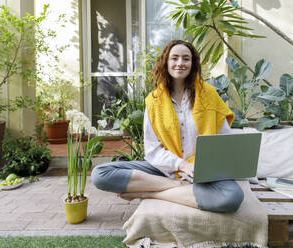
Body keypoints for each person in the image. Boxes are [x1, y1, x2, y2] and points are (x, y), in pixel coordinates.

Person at [91, 40, 244, 212]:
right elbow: (152, 150)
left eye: (186, 59)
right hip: (165, 170)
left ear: (192, 64)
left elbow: (224, 139)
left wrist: (203, 166)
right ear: (166, 62)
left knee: (233, 198)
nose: (180, 63)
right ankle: (178, 185)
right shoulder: (154, 100)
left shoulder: (209, 94)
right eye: (175, 58)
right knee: (100, 174)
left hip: (203, 171)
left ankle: (148, 193)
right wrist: (181, 165)